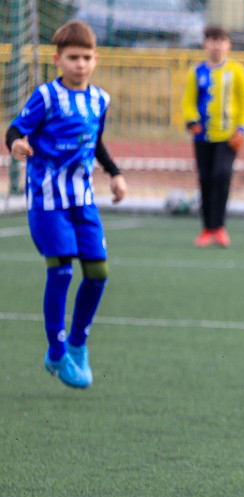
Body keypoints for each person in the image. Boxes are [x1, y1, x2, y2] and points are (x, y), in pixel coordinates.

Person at [5, 20, 127, 389]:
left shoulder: (99, 99)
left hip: (83, 202)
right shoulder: (45, 97)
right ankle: (56, 354)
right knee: (60, 271)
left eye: (87, 57)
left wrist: (115, 173)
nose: (81, 64)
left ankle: (77, 345)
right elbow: (15, 129)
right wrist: (15, 145)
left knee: (98, 273)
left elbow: (96, 141)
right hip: (47, 203)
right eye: (73, 57)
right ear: (58, 59)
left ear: (95, 59)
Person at [181, 25, 244, 248]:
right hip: (203, 137)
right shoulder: (197, 71)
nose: (217, 46)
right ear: (205, 44)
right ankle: (206, 228)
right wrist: (191, 120)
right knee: (205, 179)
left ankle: (219, 227)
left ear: (228, 45)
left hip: (228, 137)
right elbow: (188, 101)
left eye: (221, 41)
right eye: (212, 41)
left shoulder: (236, 71)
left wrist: (242, 128)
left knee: (222, 176)